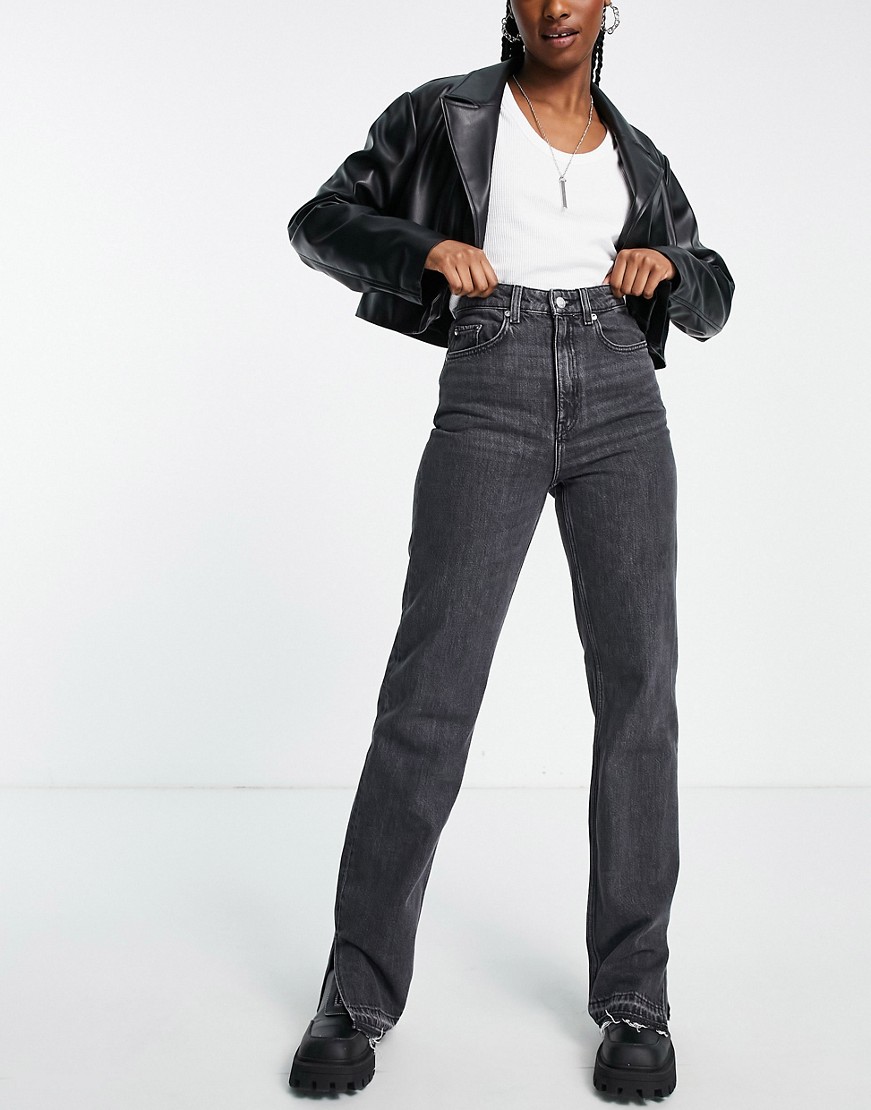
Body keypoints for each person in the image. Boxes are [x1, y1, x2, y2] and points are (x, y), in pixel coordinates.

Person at [286, 0, 734, 1098]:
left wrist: (671, 272)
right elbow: (318, 221)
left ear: (608, 6)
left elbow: (714, 292)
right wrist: (423, 250)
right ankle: (356, 991)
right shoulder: (442, 115)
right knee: (429, 691)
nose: (555, 6)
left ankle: (636, 998)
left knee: (639, 693)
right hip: (490, 379)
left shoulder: (638, 155)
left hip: (621, 397)